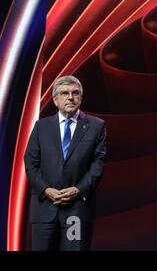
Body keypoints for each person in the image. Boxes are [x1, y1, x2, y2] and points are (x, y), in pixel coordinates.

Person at [24, 75, 106, 251]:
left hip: (76, 210)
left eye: (75, 93)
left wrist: (78, 190)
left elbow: (98, 164)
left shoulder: (96, 126)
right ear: (55, 99)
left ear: (81, 98)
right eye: (64, 93)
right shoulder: (41, 127)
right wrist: (46, 190)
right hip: (45, 208)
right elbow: (30, 162)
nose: (70, 97)